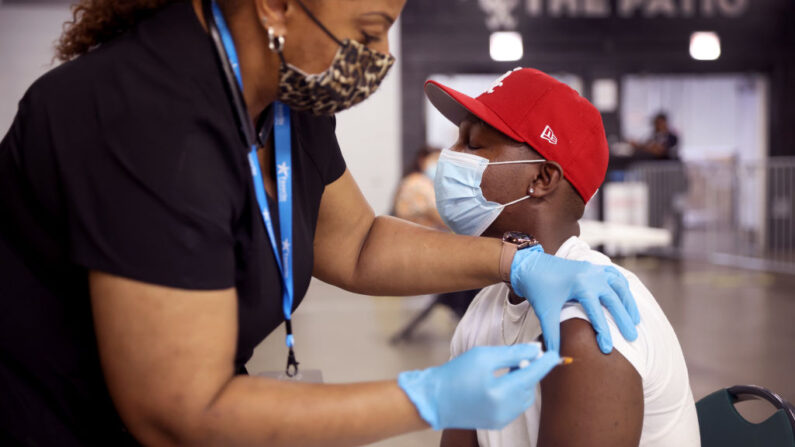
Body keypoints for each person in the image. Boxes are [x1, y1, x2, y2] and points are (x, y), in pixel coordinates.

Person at [0, 1, 640, 445]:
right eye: (367, 31)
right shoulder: (141, 119)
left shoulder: (287, 103)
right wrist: (425, 399)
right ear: (276, 6)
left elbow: (357, 244)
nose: (381, 56)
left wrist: (514, 261)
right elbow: (178, 413)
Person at [427, 68, 700, 447]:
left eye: (473, 146)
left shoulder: (592, 322)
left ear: (542, 179)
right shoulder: (486, 307)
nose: (449, 158)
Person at [393, 145, 445, 230]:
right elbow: (438, 212)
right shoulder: (417, 183)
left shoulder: (421, 182)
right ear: (422, 160)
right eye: (435, 160)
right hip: (414, 236)